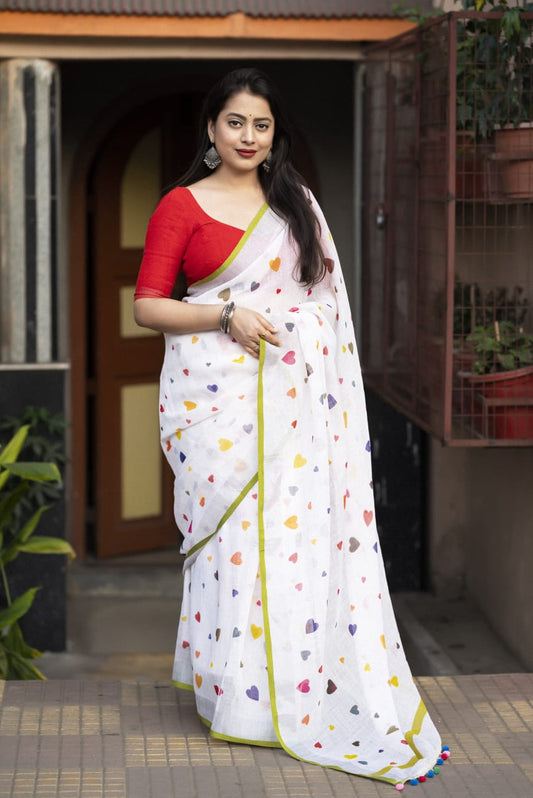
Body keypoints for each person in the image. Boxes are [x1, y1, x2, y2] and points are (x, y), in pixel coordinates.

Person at [134, 68, 448, 789]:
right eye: (235, 122)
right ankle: (237, 702)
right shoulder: (179, 207)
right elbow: (147, 307)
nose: (247, 137)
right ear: (211, 130)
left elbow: (326, 315)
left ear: (274, 136)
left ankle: (301, 695)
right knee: (236, 547)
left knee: (293, 547)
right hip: (217, 411)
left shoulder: (295, 205)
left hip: (302, 412)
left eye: (261, 125)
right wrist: (224, 315)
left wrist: (288, 336)